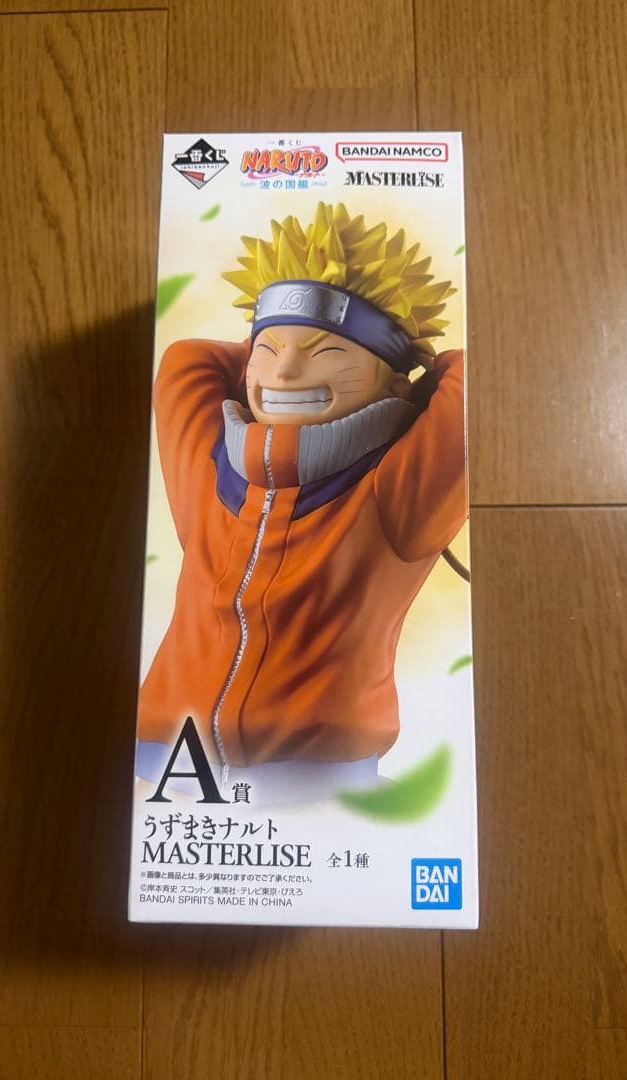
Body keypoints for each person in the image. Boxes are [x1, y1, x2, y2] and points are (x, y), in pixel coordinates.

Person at [136, 203, 467, 803]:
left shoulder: (400, 490)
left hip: (317, 792)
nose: (285, 372)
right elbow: (187, 358)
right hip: (163, 765)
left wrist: (404, 392)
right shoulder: (211, 467)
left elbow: (477, 383)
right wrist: (291, 324)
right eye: (267, 350)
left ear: (396, 386)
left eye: (326, 353)